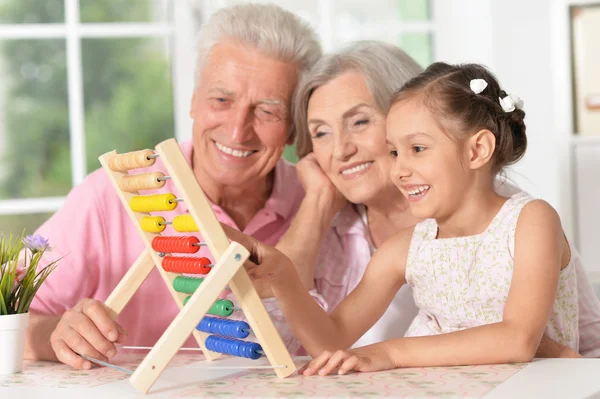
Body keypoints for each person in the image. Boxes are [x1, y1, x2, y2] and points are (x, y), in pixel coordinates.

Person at [24, 3, 323, 370]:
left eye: (267, 111)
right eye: (221, 100)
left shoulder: (317, 205)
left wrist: (321, 204)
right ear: (194, 100)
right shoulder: (111, 197)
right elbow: (9, 317)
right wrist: (53, 333)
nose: (237, 130)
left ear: (294, 126)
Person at [234, 62, 583, 375]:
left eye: (417, 149)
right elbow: (332, 341)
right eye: (394, 152)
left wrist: (389, 352)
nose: (400, 169)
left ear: (477, 150)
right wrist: (284, 280)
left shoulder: (531, 222)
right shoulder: (406, 248)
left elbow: (517, 339)